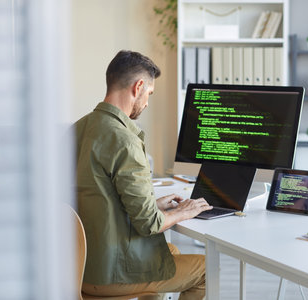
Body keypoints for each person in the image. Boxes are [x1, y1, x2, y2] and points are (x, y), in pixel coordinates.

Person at [75, 50, 213, 300]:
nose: (147, 102)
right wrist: (184, 210)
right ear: (138, 86)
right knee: (208, 270)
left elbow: (97, 198)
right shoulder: (125, 141)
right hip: (110, 274)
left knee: (170, 252)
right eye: (149, 93)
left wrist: (154, 204)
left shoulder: (78, 129)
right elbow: (149, 225)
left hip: (78, 266)